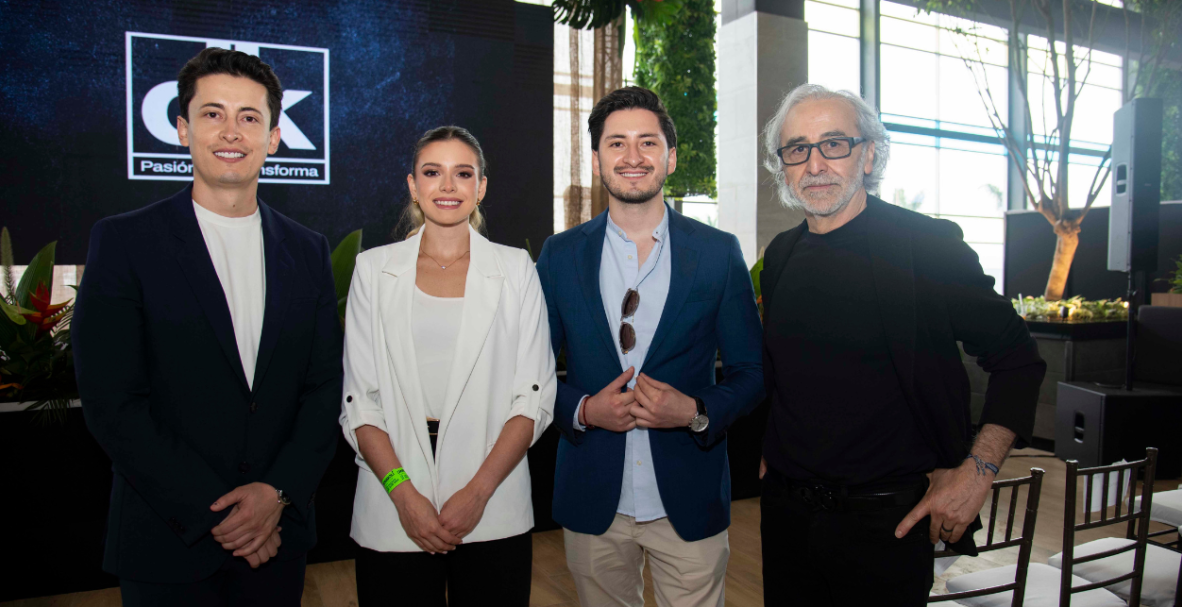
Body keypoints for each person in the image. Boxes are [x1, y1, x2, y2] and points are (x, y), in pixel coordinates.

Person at [757, 83, 1047, 605]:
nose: (815, 163)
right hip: (786, 519)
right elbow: (784, 371)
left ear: (868, 155)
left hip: (888, 524)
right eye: (798, 148)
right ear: (784, 165)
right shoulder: (780, 255)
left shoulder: (926, 247)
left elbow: (1018, 359)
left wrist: (975, 475)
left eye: (834, 143)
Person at [72, 48, 344, 606]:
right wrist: (222, 513)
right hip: (167, 541)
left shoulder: (308, 250)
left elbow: (323, 389)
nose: (231, 131)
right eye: (212, 113)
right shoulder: (125, 242)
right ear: (181, 129)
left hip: (277, 537)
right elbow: (112, 402)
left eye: (250, 118)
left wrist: (276, 495)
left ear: (273, 137)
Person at [535, 87, 765, 607]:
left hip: (689, 493)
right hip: (593, 496)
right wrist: (586, 409)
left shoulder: (717, 252)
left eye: (648, 142)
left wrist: (695, 411)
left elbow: (751, 371)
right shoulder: (559, 255)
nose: (633, 157)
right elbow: (530, 371)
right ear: (597, 160)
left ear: (671, 157)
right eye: (617, 144)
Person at [339, 126, 556, 606]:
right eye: (432, 173)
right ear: (413, 186)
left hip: (493, 504)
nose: (447, 186)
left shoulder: (516, 269)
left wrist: (477, 492)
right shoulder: (374, 271)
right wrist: (403, 494)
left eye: (463, 174)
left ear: (480, 187)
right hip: (391, 505)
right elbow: (361, 402)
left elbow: (533, 398)